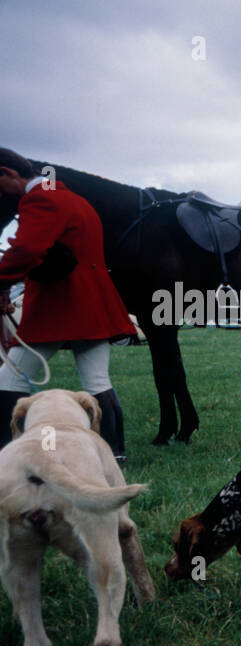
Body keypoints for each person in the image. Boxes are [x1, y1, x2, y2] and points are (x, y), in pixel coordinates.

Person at [0, 148, 136, 457]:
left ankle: (7, 451)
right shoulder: (72, 198)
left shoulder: (40, 199)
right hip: (92, 305)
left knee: (9, 380)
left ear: (8, 173)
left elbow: (26, 250)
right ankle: (115, 454)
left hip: (60, 306)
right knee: (98, 381)